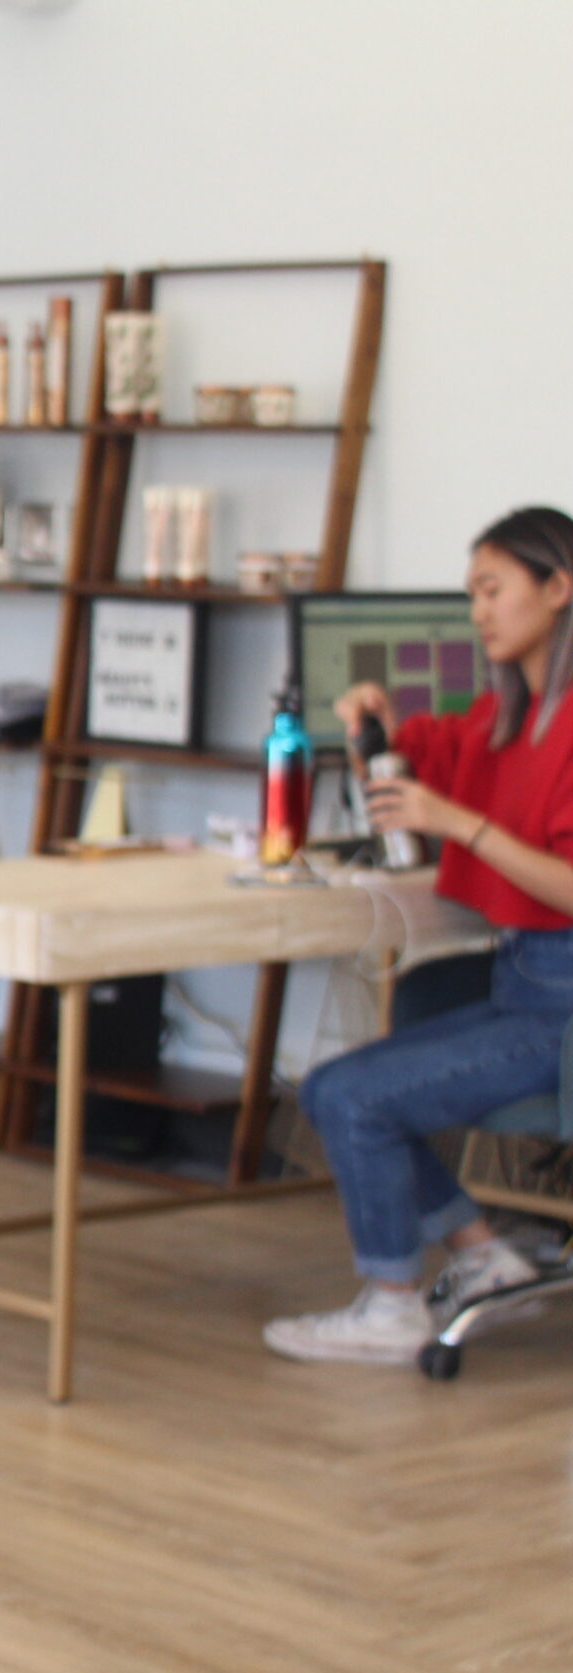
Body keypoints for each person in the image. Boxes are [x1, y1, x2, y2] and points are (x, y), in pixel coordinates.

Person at [264, 507, 573, 1363]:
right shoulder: (507, 720)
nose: (478, 611)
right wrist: (373, 727)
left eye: (492, 589)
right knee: (332, 1086)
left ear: (558, 587)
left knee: (358, 1095)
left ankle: (395, 1304)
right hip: (525, 983)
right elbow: (425, 762)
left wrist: (462, 826)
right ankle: (482, 1258)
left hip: (561, 1007)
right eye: (471, 592)